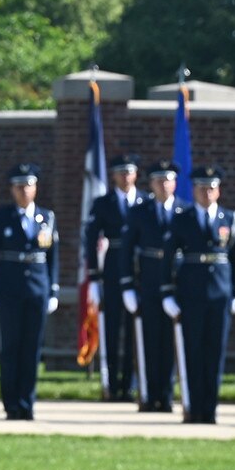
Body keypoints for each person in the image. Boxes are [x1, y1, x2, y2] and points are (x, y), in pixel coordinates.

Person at [164, 164, 235, 424]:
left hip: (220, 294)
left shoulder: (229, 218)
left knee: (215, 352)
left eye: (211, 188)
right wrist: (168, 293)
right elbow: (168, 257)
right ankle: (193, 406)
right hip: (191, 293)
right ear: (194, 190)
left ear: (218, 191)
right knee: (193, 351)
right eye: (201, 188)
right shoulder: (181, 218)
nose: (206, 192)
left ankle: (210, 408)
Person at [0, 161, 58, 419]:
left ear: (35, 188)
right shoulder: (2, 216)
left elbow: (52, 257)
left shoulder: (46, 218)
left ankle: (27, 403)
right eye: (18, 186)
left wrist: (53, 290)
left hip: (37, 288)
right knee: (11, 347)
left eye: (28, 186)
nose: (23, 191)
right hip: (9, 289)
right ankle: (11, 403)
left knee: (32, 348)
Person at [118, 160, 180, 412]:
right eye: (158, 180)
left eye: (167, 180)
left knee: (171, 344)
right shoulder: (139, 212)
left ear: (175, 183)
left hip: (176, 287)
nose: (163, 185)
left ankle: (166, 394)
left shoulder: (183, 212)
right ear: (151, 184)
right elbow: (126, 251)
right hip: (149, 284)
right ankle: (148, 392)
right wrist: (127, 286)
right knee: (149, 342)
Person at [82, 155, 140, 399]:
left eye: (129, 171)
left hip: (138, 271)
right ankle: (113, 383)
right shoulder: (103, 204)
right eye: (121, 172)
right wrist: (94, 278)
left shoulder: (145, 202)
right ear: (114, 176)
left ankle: (131, 383)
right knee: (112, 329)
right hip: (113, 269)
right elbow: (91, 240)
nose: (125, 176)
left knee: (133, 332)